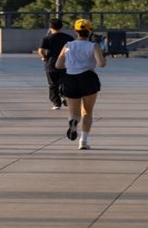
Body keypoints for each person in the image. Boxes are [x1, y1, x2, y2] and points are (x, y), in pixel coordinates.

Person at [55, 18, 106, 150]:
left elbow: (58, 65)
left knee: (74, 112)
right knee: (87, 111)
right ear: (90, 31)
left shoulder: (68, 45)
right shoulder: (93, 46)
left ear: (75, 31)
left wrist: (71, 64)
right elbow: (101, 64)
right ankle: (83, 141)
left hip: (70, 78)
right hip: (88, 78)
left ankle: (74, 122)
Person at [37, 18, 73, 109]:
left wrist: (44, 57)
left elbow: (41, 50)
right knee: (65, 82)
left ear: (50, 27)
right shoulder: (68, 37)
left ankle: (56, 103)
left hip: (51, 64)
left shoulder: (47, 38)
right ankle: (65, 96)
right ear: (61, 26)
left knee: (53, 84)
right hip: (65, 64)